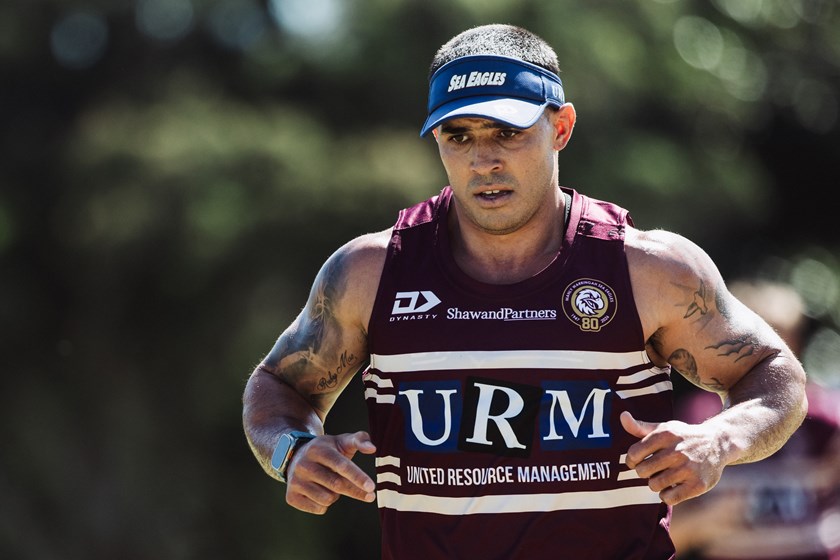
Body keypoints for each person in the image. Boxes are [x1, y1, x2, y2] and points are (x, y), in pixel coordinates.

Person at [242, 24, 808, 559]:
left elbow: (775, 374)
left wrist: (720, 439)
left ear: (560, 127)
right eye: (458, 136)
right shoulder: (373, 272)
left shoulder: (646, 268)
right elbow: (277, 386)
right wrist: (292, 449)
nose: (482, 161)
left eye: (506, 133)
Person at [671, 278, 840, 560]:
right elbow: (665, 533)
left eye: (783, 339)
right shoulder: (699, 417)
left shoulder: (825, 419)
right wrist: (704, 522)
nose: (769, 353)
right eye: (753, 340)